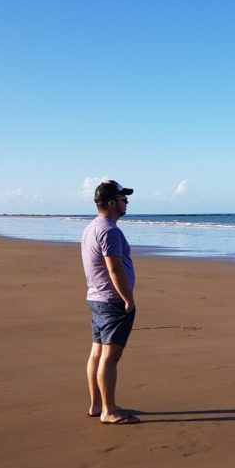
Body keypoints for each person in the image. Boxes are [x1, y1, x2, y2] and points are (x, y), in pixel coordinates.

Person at [81, 180, 140, 425]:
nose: (126, 202)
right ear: (111, 203)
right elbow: (114, 269)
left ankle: (97, 405)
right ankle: (108, 410)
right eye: (123, 199)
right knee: (109, 356)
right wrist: (128, 299)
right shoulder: (109, 231)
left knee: (97, 352)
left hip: (96, 297)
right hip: (111, 300)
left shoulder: (92, 228)